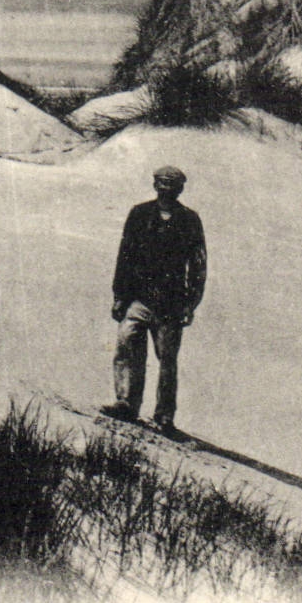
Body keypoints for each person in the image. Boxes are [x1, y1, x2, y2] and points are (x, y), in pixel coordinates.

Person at [102, 165, 206, 432]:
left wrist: (190, 304)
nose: (166, 189)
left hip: (171, 303)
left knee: (167, 360)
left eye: (172, 185)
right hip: (138, 297)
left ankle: (164, 416)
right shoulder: (139, 214)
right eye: (161, 183)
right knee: (127, 346)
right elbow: (124, 255)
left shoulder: (190, 220)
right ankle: (126, 403)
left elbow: (198, 266)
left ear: (180, 189)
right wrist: (119, 296)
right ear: (154, 185)